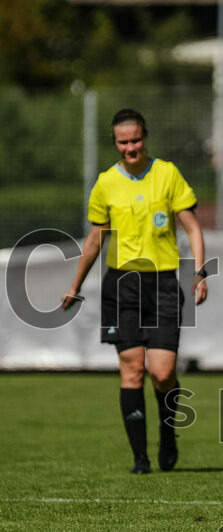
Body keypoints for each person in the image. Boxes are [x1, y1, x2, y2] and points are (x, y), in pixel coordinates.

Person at [60, 108, 207, 474]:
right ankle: (140, 459)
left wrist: (201, 273)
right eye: (123, 142)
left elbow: (192, 228)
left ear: (146, 137)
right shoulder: (106, 183)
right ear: (115, 142)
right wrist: (75, 285)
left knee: (162, 372)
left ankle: (168, 433)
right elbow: (95, 240)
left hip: (163, 284)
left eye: (136, 140)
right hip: (121, 287)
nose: (131, 147)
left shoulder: (167, 174)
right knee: (132, 372)